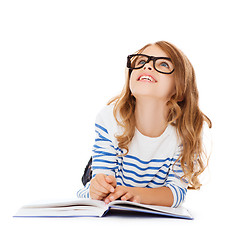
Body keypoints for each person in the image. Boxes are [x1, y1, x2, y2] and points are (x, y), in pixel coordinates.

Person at [77, 40, 212, 208]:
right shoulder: (109, 119)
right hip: (106, 171)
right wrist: (98, 187)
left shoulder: (186, 132)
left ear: (180, 90)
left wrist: (136, 193)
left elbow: (176, 193)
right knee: (91, 185)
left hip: (140, 189)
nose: (147, 66)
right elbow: (100, 183)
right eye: (141, 61)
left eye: (163, 64)